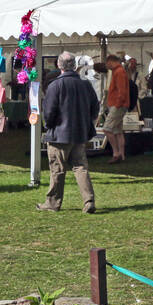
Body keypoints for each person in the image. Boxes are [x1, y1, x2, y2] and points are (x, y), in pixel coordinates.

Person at [38, 52, 98, 213]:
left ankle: (52, 202)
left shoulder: (55, 85)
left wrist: (48, 126)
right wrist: (87, 122)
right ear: (74, 66)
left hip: (59, 134)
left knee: (57, 169)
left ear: (59, 66)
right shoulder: (85, 85)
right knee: (80, 167)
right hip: (79, 133)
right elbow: (95, 108)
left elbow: (48, 112)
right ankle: (88, 200)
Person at [102, 54, 129, 162]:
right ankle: (122, 155)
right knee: (118, 131)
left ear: (110, 62)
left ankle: (116, 153)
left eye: (106, 63)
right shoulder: (119, 71)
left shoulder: (119, 72)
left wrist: (117, 104)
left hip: (118, 105)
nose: (106, 66)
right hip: (120, 105)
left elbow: (122, 91)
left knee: (107, 129)